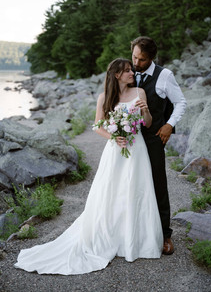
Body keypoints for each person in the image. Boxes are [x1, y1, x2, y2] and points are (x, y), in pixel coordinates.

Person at [14, 58, 163, 275]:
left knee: (137, 190)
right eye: (128, 70)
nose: (133, 73)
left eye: (131, 70)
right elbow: (97, 126)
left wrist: (146, 110)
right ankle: (112, 235)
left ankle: (136, 239)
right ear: (117, 75)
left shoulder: (140, 93)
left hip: (137, 149)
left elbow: (147, 123)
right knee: (112, 191)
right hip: (116, 150)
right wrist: (114, 136)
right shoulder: (105, 97)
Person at [131, 36, 187, 255]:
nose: (136, 63)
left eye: (142, 60)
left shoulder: (165, 75)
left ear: (151, 58)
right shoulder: (127, 71)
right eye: (135, 57)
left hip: (154, 137)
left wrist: (169, 126)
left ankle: (165, 235)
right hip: (131, 139)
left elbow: (181, 102)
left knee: (158, 185)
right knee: (132, 184)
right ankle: (135, 231)